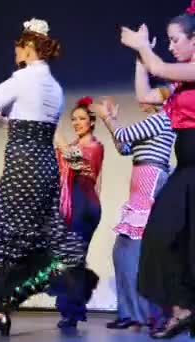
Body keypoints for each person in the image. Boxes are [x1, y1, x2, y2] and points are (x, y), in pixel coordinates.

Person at [0, 18, 97, 337]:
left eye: (18, 46)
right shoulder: (55, 87)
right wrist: (3, 114)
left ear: (30, 47)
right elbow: (29, 118)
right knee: (32, 236)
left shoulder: (20, 79)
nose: (15, 51)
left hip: (23, 169)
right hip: (44, 168)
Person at [120, 1, 195, 337]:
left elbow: (161, 68)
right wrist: (141, 57)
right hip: (188, 167)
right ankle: (182, 308)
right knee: (161, 235)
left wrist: (144, 50)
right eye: (167, 41)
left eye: (175, 40)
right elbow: (146, 93)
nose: (170, 46)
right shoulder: (179, 83)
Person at [94, 97, 174, 332]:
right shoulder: (153, 121)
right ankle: (132, 313)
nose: (142, 97)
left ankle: (145, 314)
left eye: (149, 94)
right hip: (141, 177)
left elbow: (123, 135)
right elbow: (124, 147)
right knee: (125, 253)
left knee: (132, 252)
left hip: (149, 178)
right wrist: (113, 120)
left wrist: (108, 117)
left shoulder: (162, 119)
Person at [54, 96, 105, 328]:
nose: (76, 122)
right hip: (74, 203)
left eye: (82, 119)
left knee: (72, 259)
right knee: (69, 259)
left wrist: (54, 129)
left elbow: (75, 163)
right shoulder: (74, 144)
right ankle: (72, 306)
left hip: (84, 205)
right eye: (73, 119)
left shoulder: (94, 146)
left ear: (92, 122)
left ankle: (72, 312)